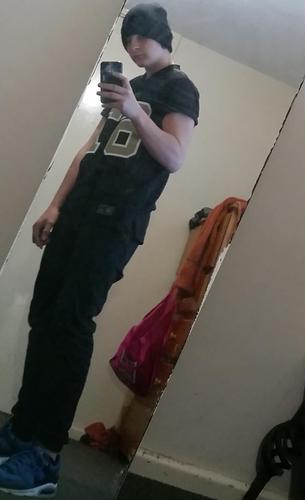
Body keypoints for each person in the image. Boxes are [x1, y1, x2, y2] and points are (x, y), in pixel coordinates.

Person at [0, 3, 199, 497]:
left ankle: (46, 458)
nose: (133, 45)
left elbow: (175, 156)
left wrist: (133, 109)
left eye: (142, 35)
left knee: (70, 326)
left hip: (114, 225)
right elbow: (88, 149)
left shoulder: (181, 87)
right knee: (44, 318)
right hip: (77, 215)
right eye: (128, 37)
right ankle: (23, 429)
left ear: (162, 35)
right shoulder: (126, 86)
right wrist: (55, 205)